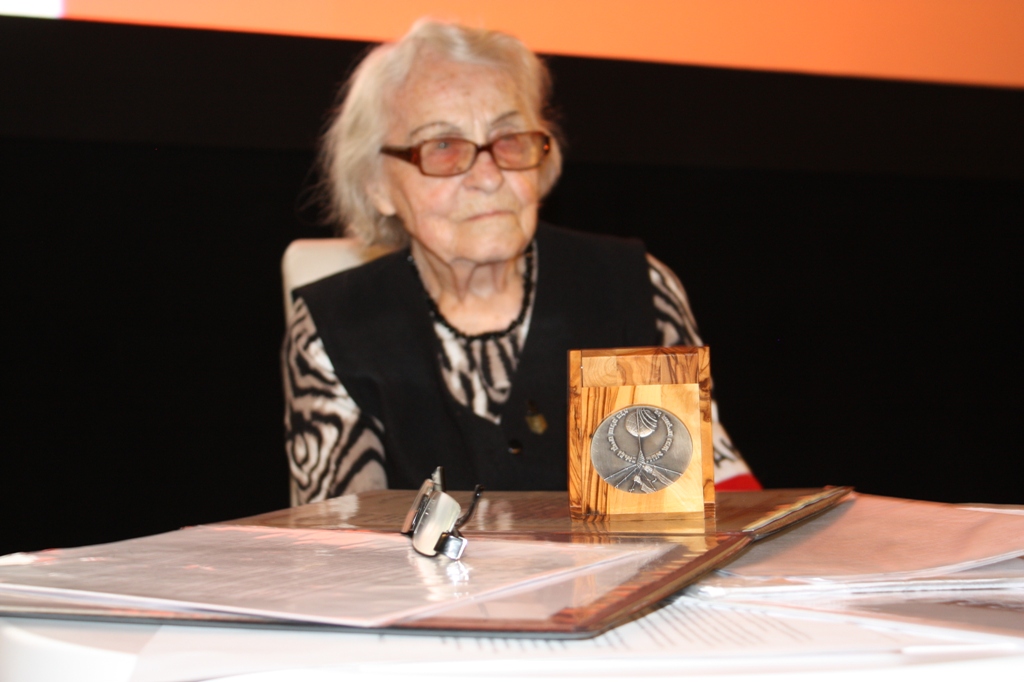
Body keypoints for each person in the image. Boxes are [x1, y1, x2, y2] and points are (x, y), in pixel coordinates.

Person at [282, 20, 758, 505]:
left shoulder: (631, 288)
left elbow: (697, 507)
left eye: (508, 138)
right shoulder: (335, 328)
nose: (488, 177)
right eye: (443, 147)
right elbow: (340, 537)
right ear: (377, 186)